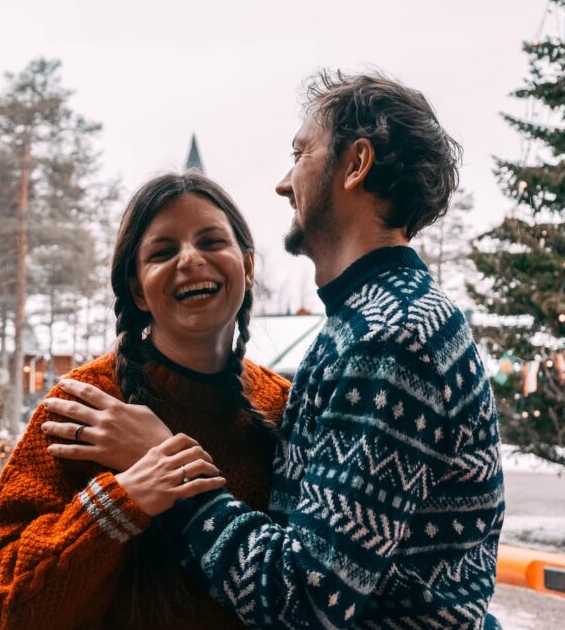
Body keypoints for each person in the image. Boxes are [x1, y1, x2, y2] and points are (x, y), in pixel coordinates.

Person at [52, 71, 505, 628]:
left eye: (300, 153)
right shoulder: (364, 324)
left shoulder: (391, 338)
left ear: (355, 164)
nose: (283, 183)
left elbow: (306, 600)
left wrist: (168, 464)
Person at [0, 173, 291, 629]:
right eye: (163, 251)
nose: (190, 259)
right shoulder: (82, 406)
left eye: (211, 241)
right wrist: (122, 499)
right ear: (136, 289)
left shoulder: (287, 406)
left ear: (248, 266)